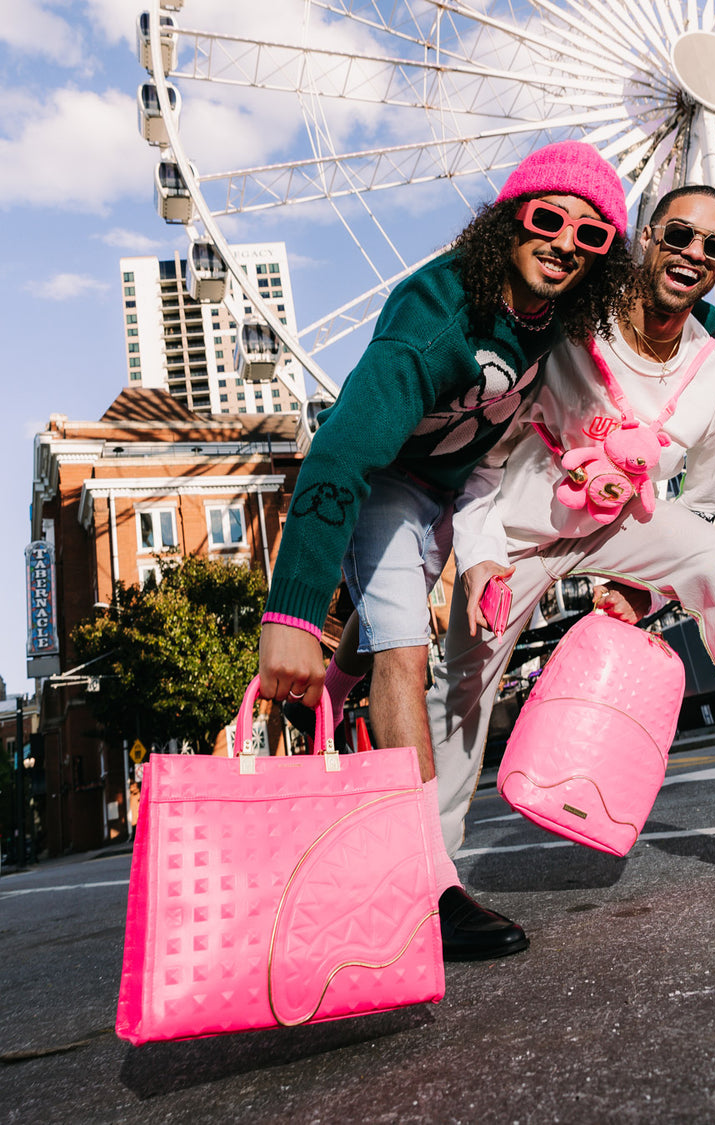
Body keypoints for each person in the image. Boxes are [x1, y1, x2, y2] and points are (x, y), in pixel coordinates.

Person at [429, 184, 715, 926]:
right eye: (680, 234)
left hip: (622, 523)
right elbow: (485, 454)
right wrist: (479, 556)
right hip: (517, 532)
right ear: (645, 235)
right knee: (463, 683)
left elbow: (704, 503)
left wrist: (647, 590)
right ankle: (428, 870)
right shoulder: (575, 317)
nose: (694, 253)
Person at [259, 141, 639, 961]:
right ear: (507, 222)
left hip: (465, 486)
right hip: (391, 482)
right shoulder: (434, 317)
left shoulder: (559, 313)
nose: (565, 241)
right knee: (405, 652)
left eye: (592, 234)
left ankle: (330, 692)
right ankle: (428, 887)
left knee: (382, 625)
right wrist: (290, 615)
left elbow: (664, 303)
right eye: (548, 218)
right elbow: (338, 456)